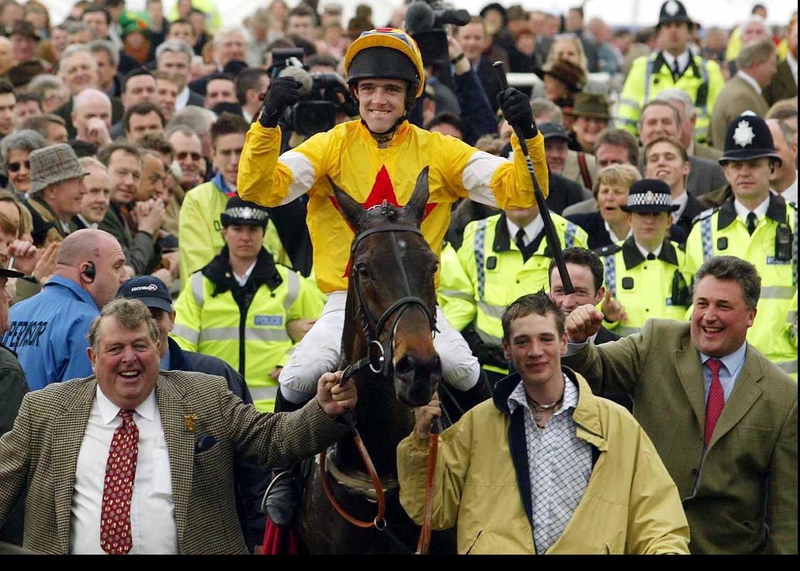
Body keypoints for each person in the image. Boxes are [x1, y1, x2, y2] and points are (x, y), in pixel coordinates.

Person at [238, 27, 547, 409]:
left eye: (390, 90)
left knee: (462, 368)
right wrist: (268, 121)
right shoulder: (329, 146)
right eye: (368, 89)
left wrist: (527, 134)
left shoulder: (441, 152)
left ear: (409, 97)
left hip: (418, 304)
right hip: (345, 300)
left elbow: (522, 191)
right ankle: (282, 468)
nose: (378, 100)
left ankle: (489, 461)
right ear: (355, 94)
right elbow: (260, 188)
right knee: (300, 374)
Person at [0, 296, 357, 554]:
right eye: (115, 348)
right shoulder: (46, 411)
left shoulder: (205, 396)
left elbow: (272, 439)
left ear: (159, 349)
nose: (129, 358)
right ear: (93, 359)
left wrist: (322, 409)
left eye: (140, 346)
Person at [398, 292, 690, 554]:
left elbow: (659, 519)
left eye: (546, 339)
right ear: (507, 350)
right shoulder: (476, 424)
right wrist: (422, 442)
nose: (535, 351)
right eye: (522, 342)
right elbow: (432, 512)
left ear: (563, 342)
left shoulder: (617, 424)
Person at [562, 256, 797, 554]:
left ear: (751, 315)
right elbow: (598, 371)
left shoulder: (783, 396)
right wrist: (578, 343)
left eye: (723, 306)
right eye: (702, 304)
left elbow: (788, 513)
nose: (709, 316)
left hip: (729, 547)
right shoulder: (657, 341)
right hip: (646, 538)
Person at [116, 274, 270, 552]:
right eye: (135, 316)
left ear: (172, 320)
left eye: (155, 315)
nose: (147, 325)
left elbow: (252, 461)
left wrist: (260, 537)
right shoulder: (103, 384)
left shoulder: (215, 377)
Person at [172, 196, 324, 412]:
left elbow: (320, 335)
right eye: (237, 228)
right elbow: (181, 343)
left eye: (253, 229)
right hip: (214, 405)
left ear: (264, 233)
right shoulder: (198, 285)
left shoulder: (290, 283)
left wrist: (290, 361)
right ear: (224, 232)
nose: (245, 237)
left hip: (271, 408)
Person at [685, 114, 797, 376]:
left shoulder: (796, 223)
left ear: (772, 167)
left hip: (786, 372)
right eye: (736, 165)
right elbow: (691, 304)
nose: (744, 172)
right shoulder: (703, 230)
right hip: (720, 371)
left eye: (754, 164)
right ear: (726, 171)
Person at [442, 191, 588, 385]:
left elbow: (585, 302)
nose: (518, 196)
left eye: (525, 188)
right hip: (487, 368)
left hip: (548, 368)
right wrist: (468, 342)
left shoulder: (572, 237)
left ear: (543, 190)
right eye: (510, 187)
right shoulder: (476, 235)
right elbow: (460, 299)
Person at [2, 229, 127, 390]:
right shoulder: (88, 322)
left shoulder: (15, 312)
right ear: (87, 272)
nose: (124, 277)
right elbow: (78, 405)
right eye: (117, 266)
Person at [616, 0, 724, 144]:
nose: (673, 31)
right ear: (659, 33)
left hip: (697, 151)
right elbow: (626, 118)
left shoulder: (709, 70)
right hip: (653, 151)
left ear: (689, 31)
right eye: (667, 26)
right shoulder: (641, 68)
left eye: (679, 25)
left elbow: (719, 118)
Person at [594, 179, 692, 336]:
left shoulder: (687, 259)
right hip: (624, 357)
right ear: (629, 219)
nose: (649, 220)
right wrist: (606, 315)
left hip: (676, 356)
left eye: (656, 214)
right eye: (641, 214)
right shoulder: (604, 262)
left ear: (669, 221)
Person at [23, 143, 89, 246]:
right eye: (77, 182)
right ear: (51, 191)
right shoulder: (34, 230)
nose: (85, 190)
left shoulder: (71, 224)